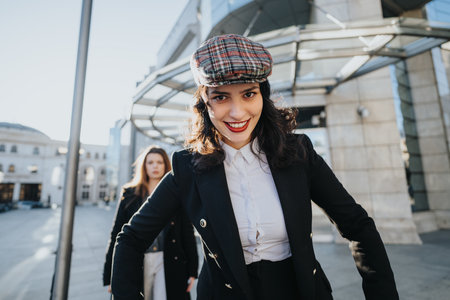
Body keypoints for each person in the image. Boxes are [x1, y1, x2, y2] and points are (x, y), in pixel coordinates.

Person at [111, 34, 399, 300]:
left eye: (248, 94)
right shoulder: (188, 168)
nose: (237, 113)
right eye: (221, 97)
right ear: (205, 103)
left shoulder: (298, 152)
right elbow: (131, 238)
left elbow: (358, 226)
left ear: (263, 95)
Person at [103, 146, 198, 300]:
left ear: (166, 165)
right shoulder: (129, 194)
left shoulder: (176, 193)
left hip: (167, 258)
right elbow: (117, 234)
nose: (155, 166)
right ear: (144, 166)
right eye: (151, 162)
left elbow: (187, 232)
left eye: (160, 162)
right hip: (139, 259)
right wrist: (110, 275)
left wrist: (193, 270)